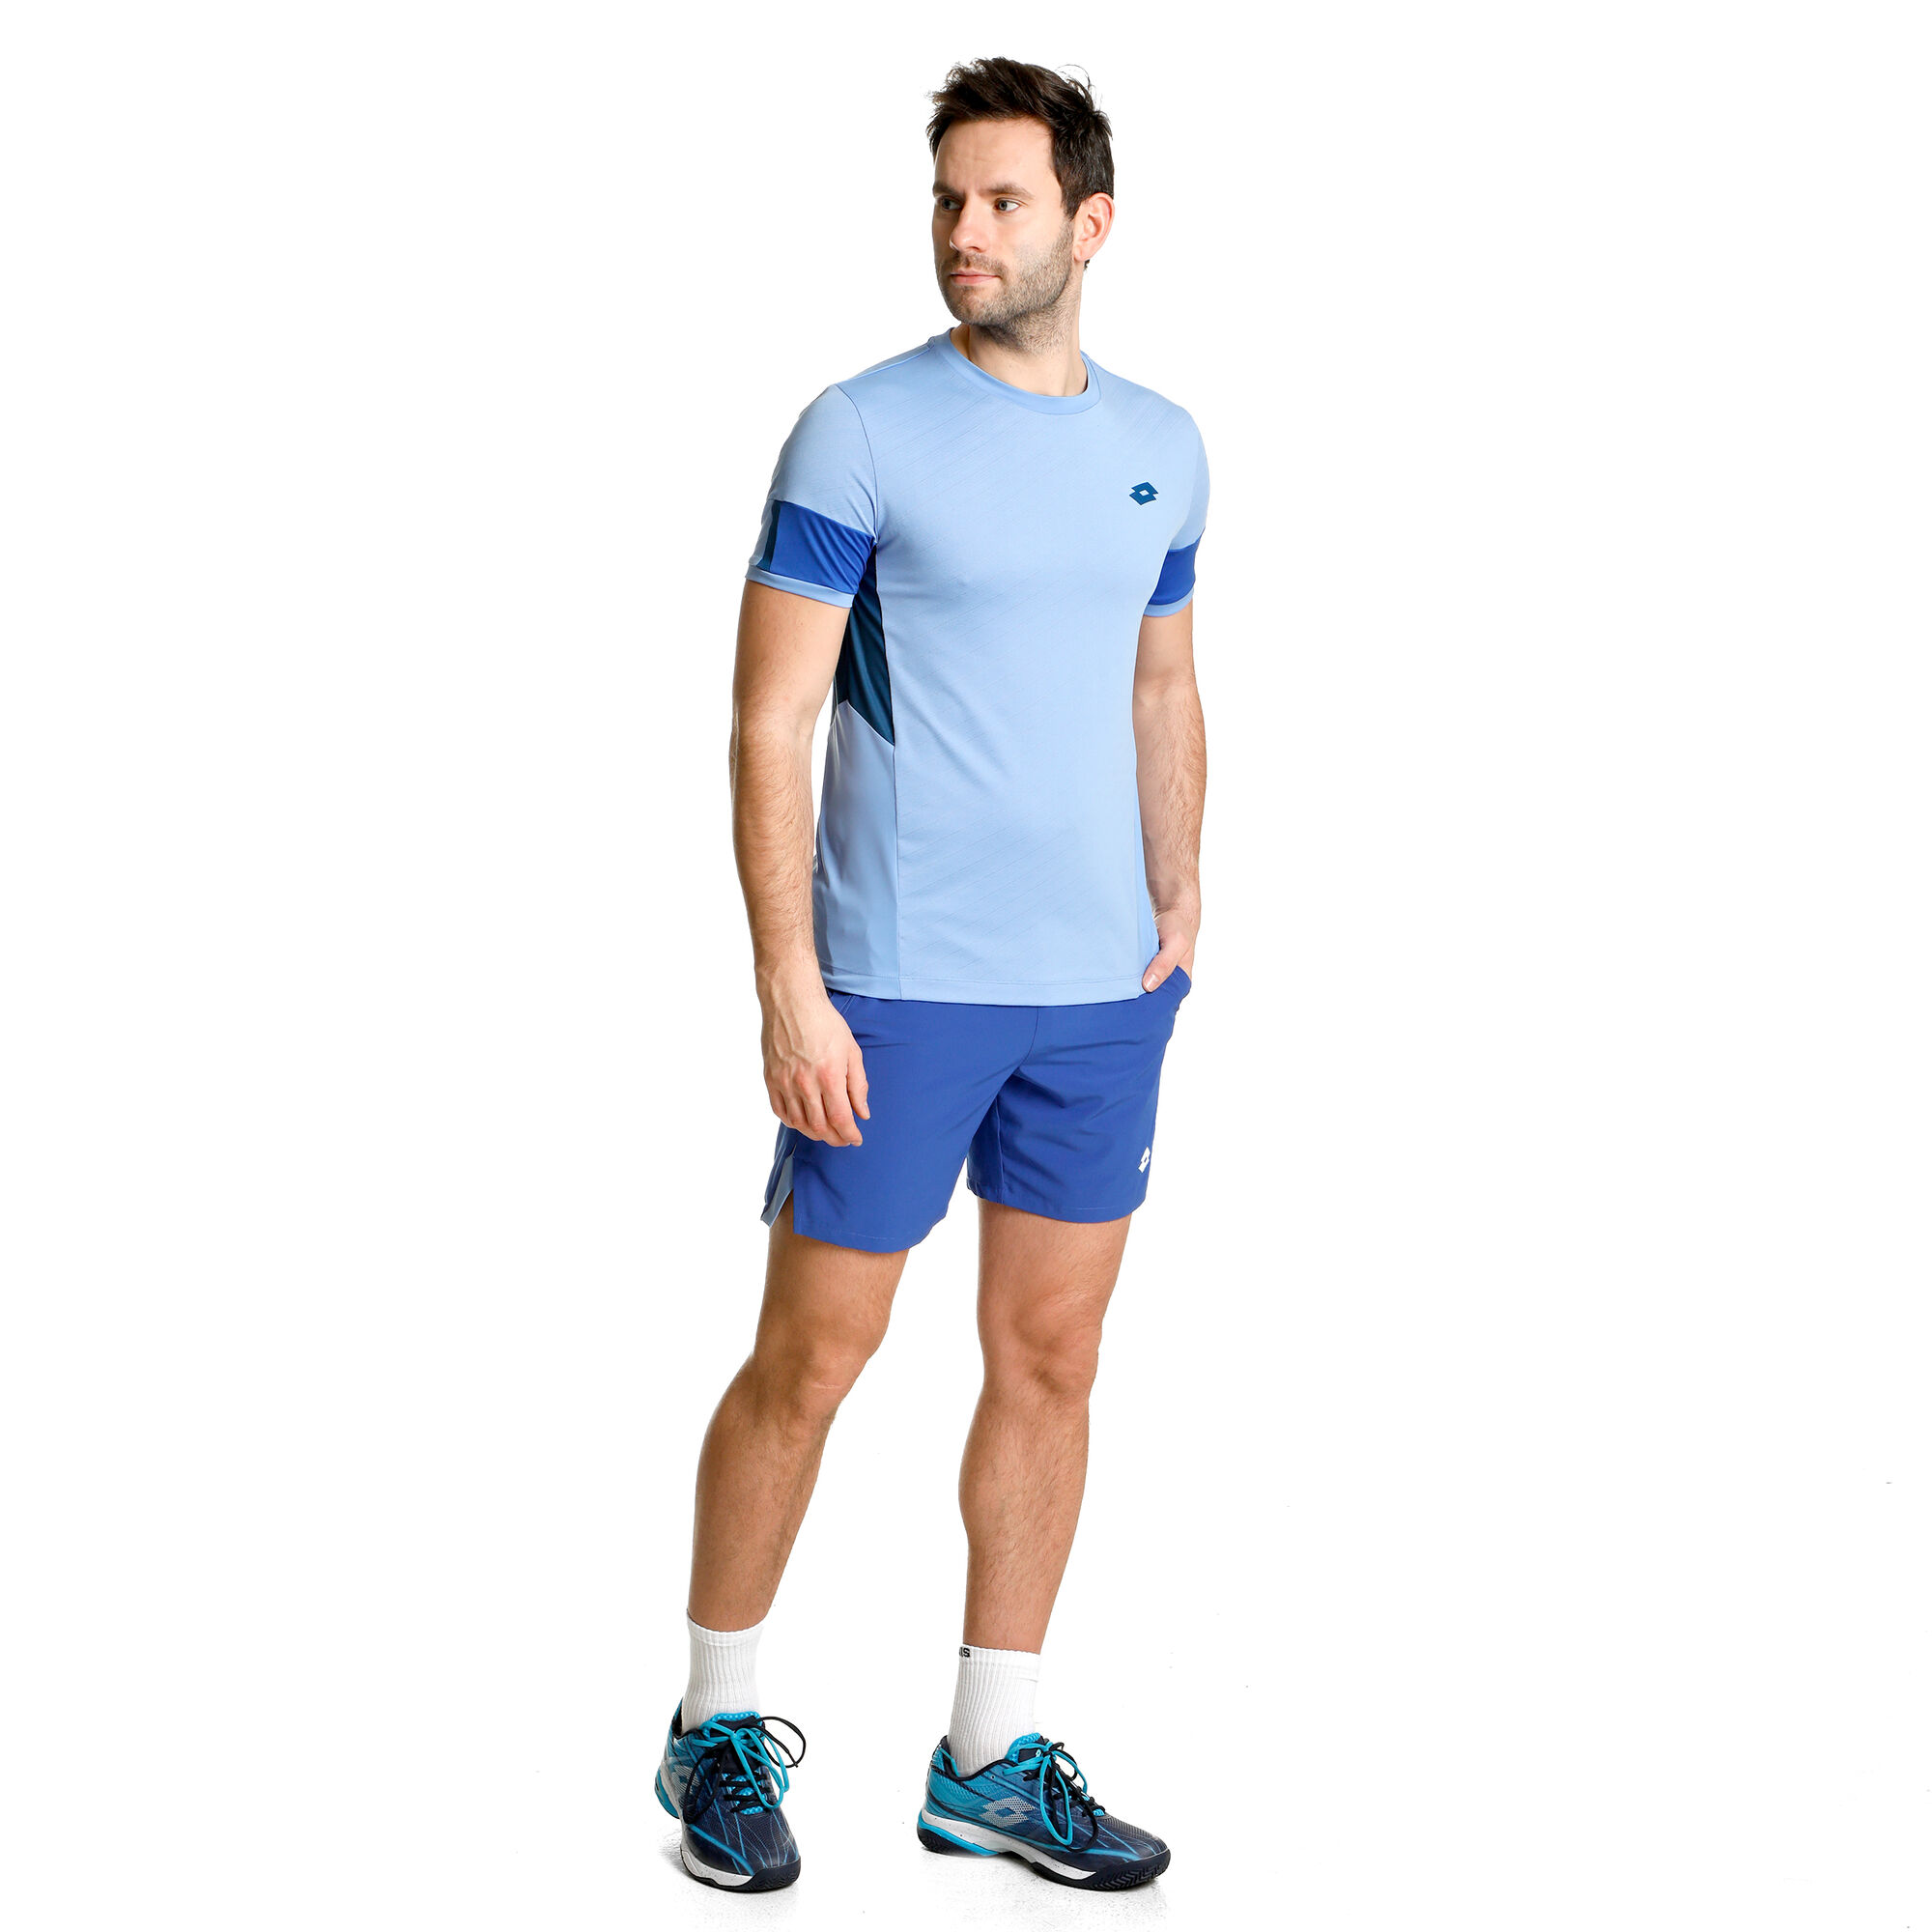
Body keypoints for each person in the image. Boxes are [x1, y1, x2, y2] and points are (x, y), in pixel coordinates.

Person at [656, 56, 1208, 1894]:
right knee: (814, 1359)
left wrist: (1179, 901)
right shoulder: (860, 433)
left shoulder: (1165, 444)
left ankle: (988, 1755)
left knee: (1051, 1359)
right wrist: (789, 984)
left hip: (1100, 999)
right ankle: (713, 1724)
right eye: (949, 201)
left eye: (1003, 202)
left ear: (1089, 224)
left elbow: (1162, 682)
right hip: (896, 989)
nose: (966, 234)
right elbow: (772, 717)